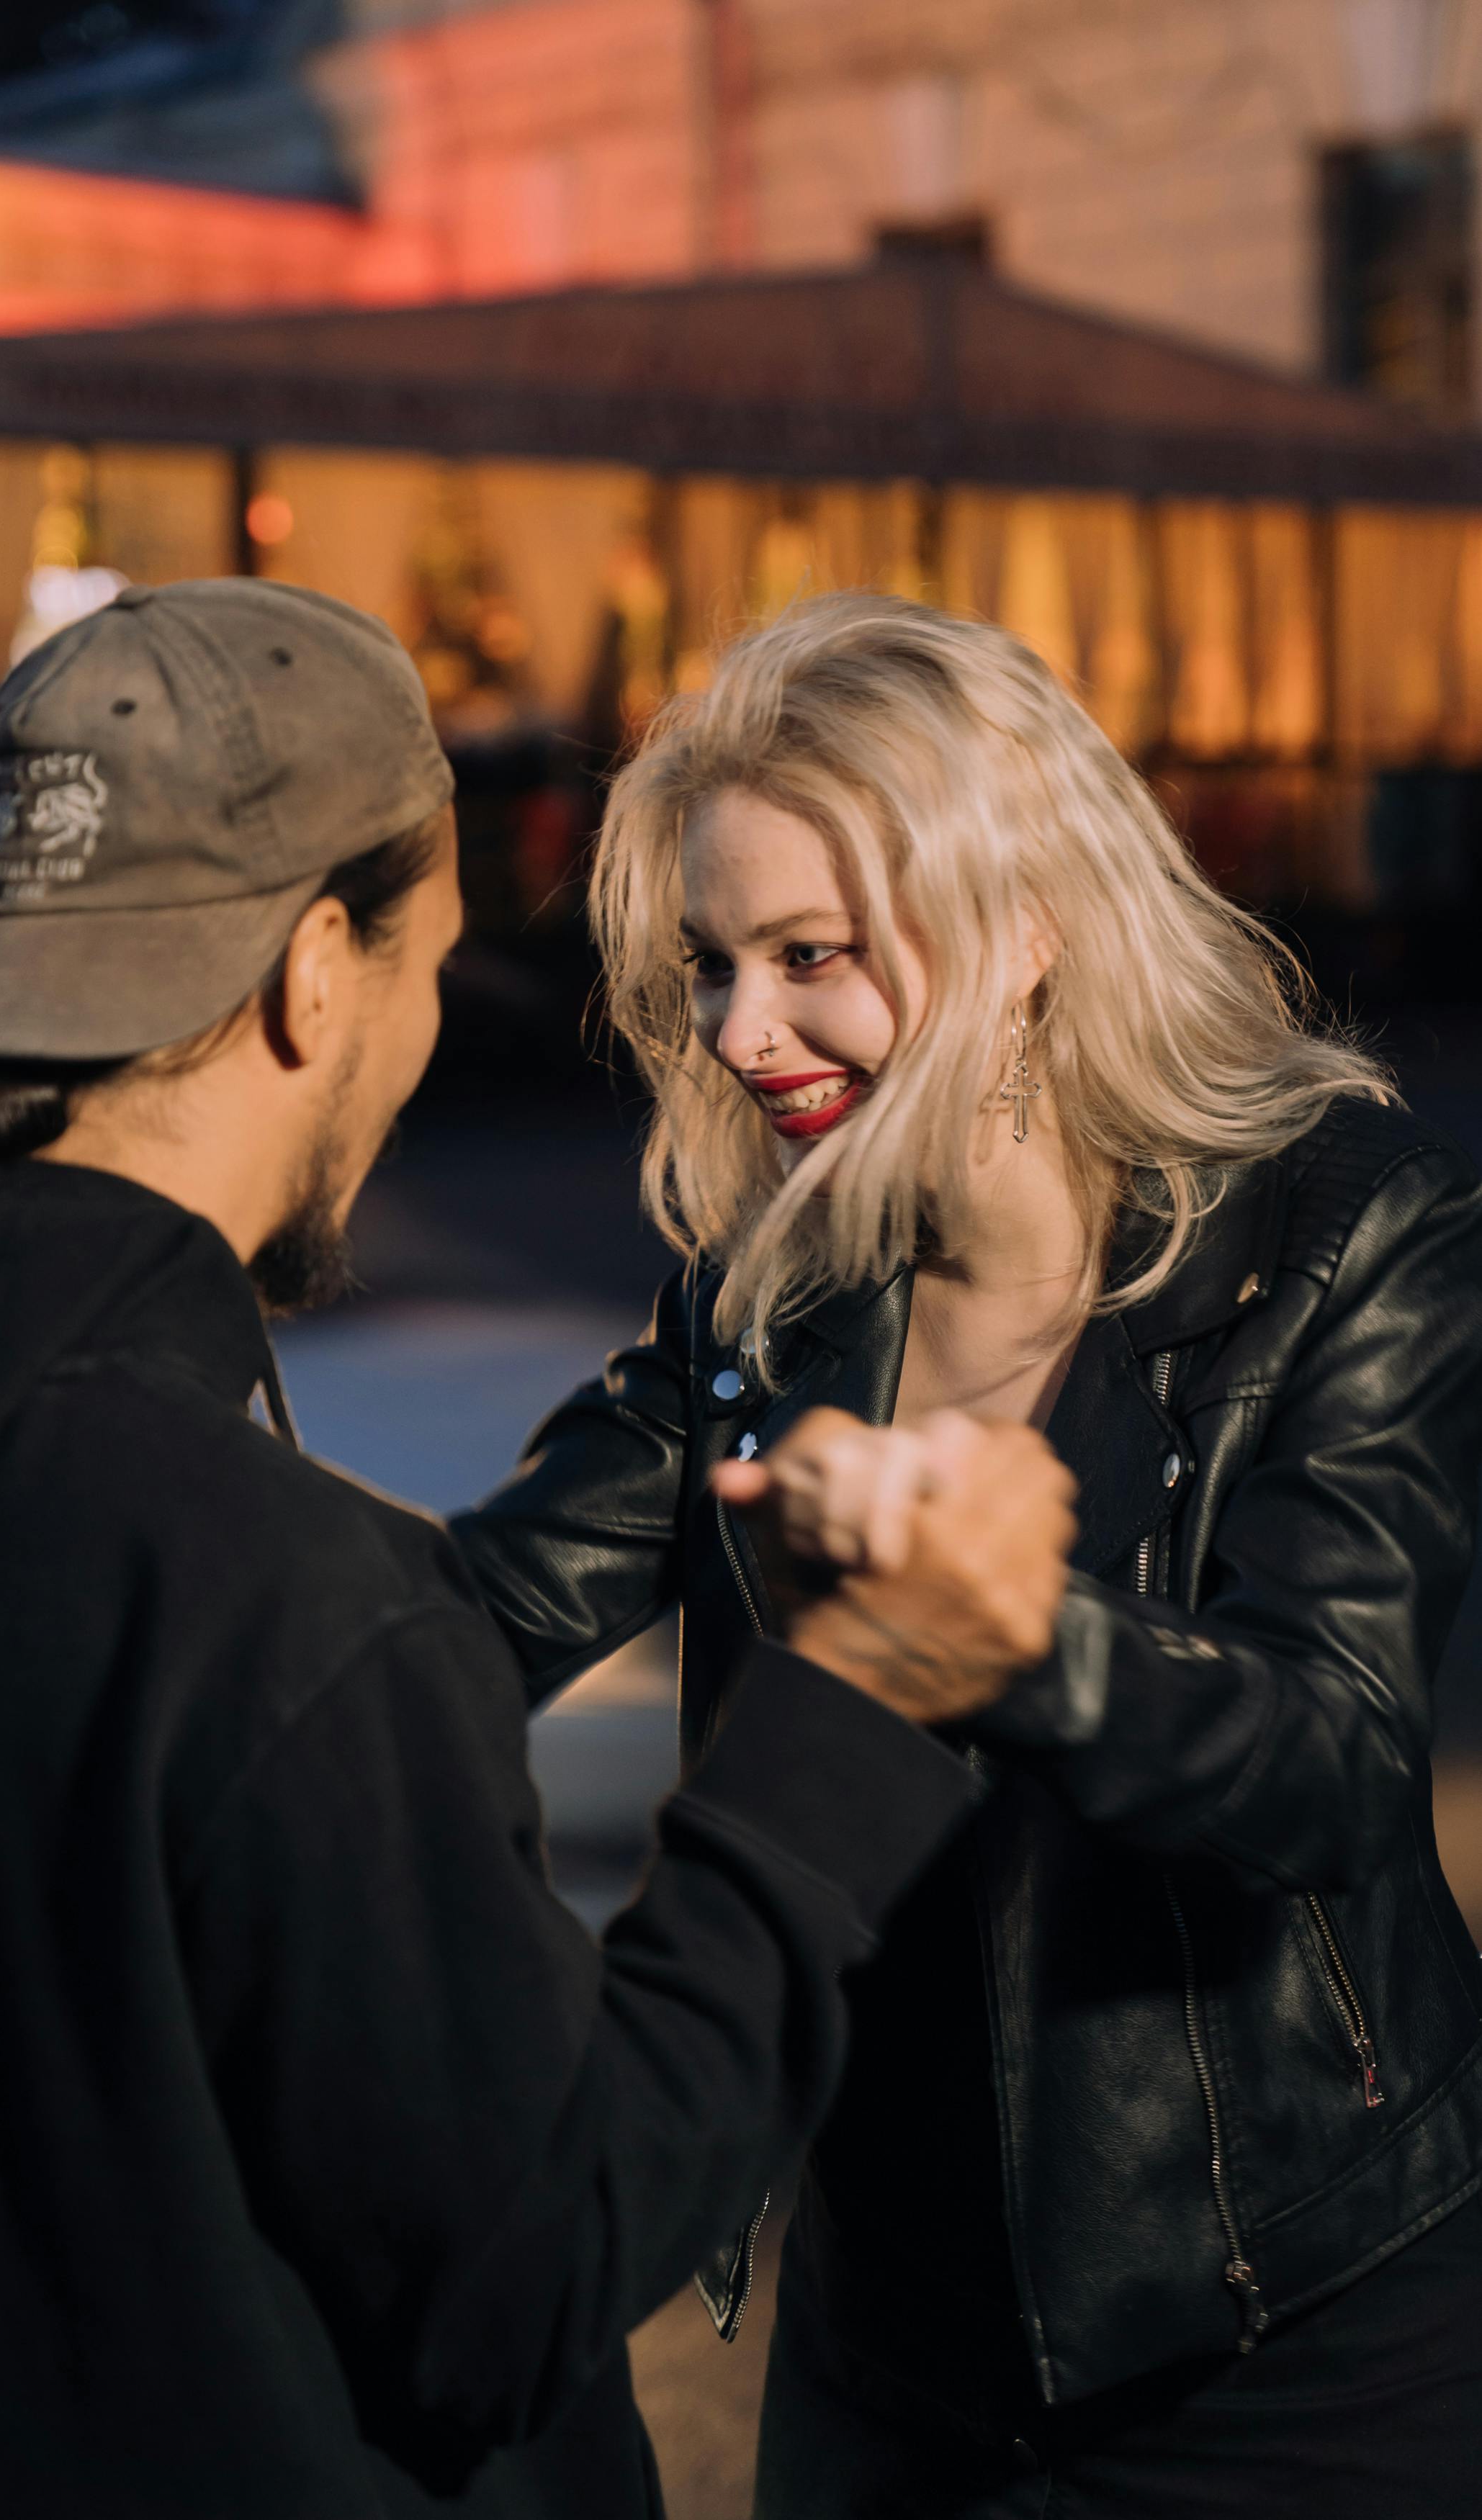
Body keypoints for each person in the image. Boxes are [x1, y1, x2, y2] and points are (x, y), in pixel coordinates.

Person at [0, 580, 1079, 2519]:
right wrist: (855, 1706)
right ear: (320, 972)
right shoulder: (271, 1589)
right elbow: (530, 2260)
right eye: (425, 969)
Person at [452, 591, 1482, 2518]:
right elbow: (466, 1620)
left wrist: (1008, 1633)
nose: (742, 1031)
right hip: (893, 2359)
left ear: (1022, 926)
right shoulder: (761, 1308)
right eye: (711, 964)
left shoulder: (1348, 1230)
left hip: (1313, 2338)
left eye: (808, 955)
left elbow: (1332, 1754)